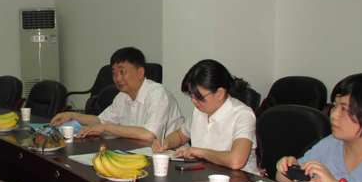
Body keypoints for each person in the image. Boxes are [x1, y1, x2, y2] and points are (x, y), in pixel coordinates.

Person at [51, 47, 183, 141]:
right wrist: (72, 115)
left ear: (140, 72)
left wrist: (106, 128)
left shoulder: (158, 94)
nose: (118, 78)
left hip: (171, 159)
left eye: (122, 72)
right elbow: (100, 120)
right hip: (137, 153)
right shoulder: (122, 96)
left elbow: (149, 135)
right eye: (114, 73)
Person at [152, 59, 258, 174]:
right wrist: (166, 142)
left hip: (239, 179)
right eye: (191, 95)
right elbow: (181, 135)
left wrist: (202, 152)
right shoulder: (200, 111)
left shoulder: (242, 115)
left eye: (198, 97)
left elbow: (236, 161)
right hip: (205, 174)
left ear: (220, 93)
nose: (193, 101)